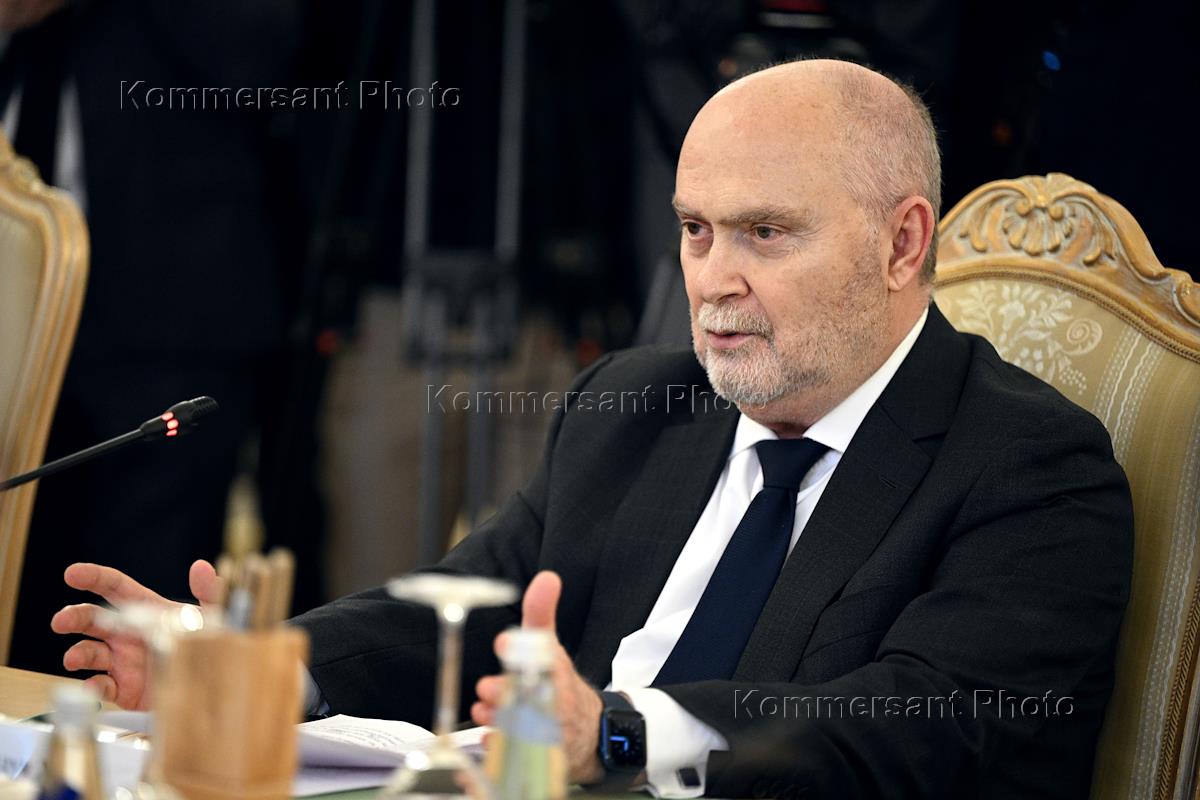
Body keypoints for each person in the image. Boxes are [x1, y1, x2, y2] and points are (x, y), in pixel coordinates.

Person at [50, 59, 1133, 799]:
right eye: (697, 231)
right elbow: (476, 598)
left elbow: (910, 729)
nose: (714, 281)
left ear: (902, 244)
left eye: (766, 233)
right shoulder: (642, 405)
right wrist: (266, 668)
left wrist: (614, 731)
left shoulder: (1031, 467)